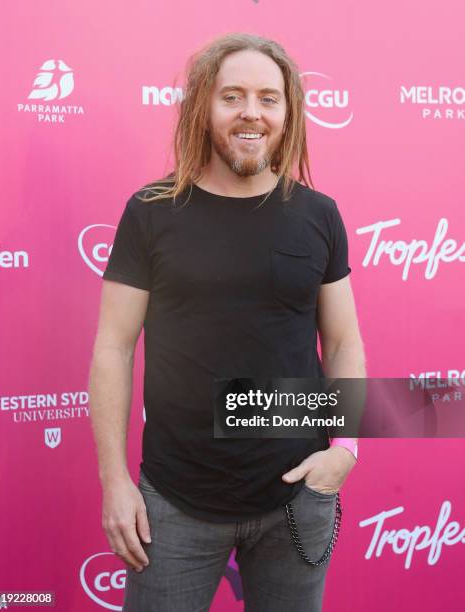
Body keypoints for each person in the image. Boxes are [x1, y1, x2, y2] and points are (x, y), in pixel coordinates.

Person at [88, 32, 365, 612]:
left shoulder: (319, 215)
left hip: (299, 494)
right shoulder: (152, 212)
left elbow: (341, 341)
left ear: (287, 113)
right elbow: (113, 346)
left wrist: (346, 447)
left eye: (268, 98)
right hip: (175, 501)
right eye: (231, 96)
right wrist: (115, 482)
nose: (251, 113)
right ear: (202, 109)